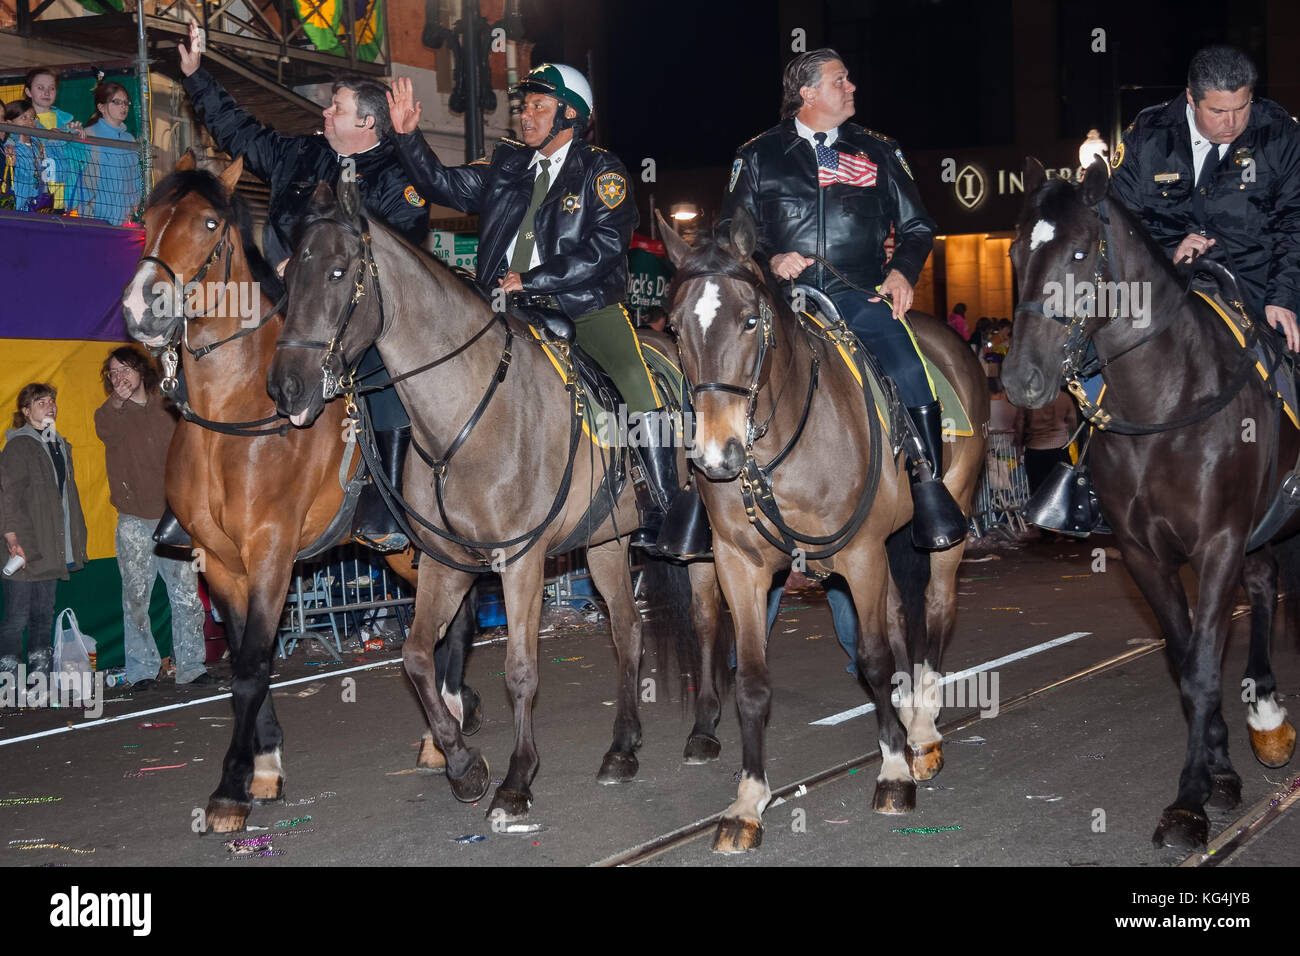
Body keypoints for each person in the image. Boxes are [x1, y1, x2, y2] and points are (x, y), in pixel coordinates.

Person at [386, 65, 700, 557]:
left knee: (636, 383)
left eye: (539, 106)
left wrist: (534, 279)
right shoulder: (506, 162)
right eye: (524, 106)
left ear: (570, 114)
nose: (525, 115)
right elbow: (443, 186)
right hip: (503, 305)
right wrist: (408, 138)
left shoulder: (603, 170)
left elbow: (603, 247)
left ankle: (664, 506)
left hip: (584, 307)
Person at [175, 22, 429, 548]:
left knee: (387, 370)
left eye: (336, 107)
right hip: (278, 303)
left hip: (354, 313)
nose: (325, 113)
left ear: (367, 123)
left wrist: (313, 270)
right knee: (207, 351)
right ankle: (192, 498)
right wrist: (198, 77)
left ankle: (389, 501)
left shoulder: (398, 179)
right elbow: (240, 131)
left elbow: (398, 253)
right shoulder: (301, 154)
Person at [721, 48, 967, 554]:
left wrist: (902, 271)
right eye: (840, 80)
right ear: (807, 93)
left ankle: (926, 482)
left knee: (907, 363)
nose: (851, 87)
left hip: (860, 292)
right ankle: (694, 497)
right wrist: (769, 257)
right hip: (782, 299)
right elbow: (731, 229)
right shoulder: (756, 154)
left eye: (849, 79)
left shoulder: (878, 149)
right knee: (716, 366)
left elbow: (919, 225)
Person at [1110, 44, 1300, 349]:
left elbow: (1294, 222)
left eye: (1242, 107)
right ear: (1191, 98)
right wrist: (1169, 252)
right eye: (1218, 111)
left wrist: (1283, 299)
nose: (1232, 123)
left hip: (1260, 288)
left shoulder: (1279, 134)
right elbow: (1118, 223)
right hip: (1163, 287)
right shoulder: (1147, 136)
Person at [93, 347, 212, 690]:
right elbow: (105, 427)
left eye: (125, 369)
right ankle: (143, 671)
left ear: (141, 370)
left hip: (174, 518)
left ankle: (192, 666)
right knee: (135, 599)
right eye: (113, 373)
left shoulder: (167, 405)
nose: (119, 377)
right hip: (132, 519)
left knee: (187, 596)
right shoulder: (109, 414)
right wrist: (117, 399)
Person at [1, 384, 88, 685]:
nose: (50, 406)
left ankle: (38, 681)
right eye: (40, 402)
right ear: (25, 411)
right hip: (24, 545)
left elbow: (64, 497)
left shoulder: (59, 444)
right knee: (16, 619)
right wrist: (12, 539)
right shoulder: (18, 446)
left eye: (52, 401)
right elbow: (6, 497)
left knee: (42, 616)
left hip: (52, 546)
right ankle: (7, 682)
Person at [83, 81, 141, 226]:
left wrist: (135, 205)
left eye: (126, 103)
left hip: (126, 219)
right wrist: (89, 208)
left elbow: (136, 177)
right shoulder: (90, 135)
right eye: (116, 102)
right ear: (101, 107)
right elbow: (84, 178)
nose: (123, 106)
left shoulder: (129, 139)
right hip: (96, 218)